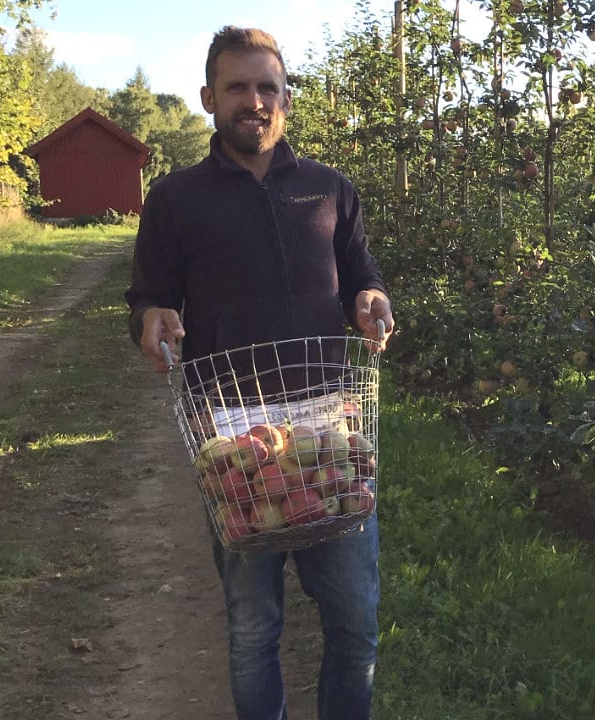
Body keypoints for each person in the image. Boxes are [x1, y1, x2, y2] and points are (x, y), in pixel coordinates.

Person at [124, 26, 394, 720]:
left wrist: (370, 302)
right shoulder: (176, 200)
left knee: (355, 624)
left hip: (327, 429)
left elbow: (362, 280)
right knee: (253, 629)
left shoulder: (329, 189)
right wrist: (153, 318)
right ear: (209, 98)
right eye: (238, 87)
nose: (255, 100)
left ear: (287, 100)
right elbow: (148, 295)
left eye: (267, 87)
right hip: (234, 439)